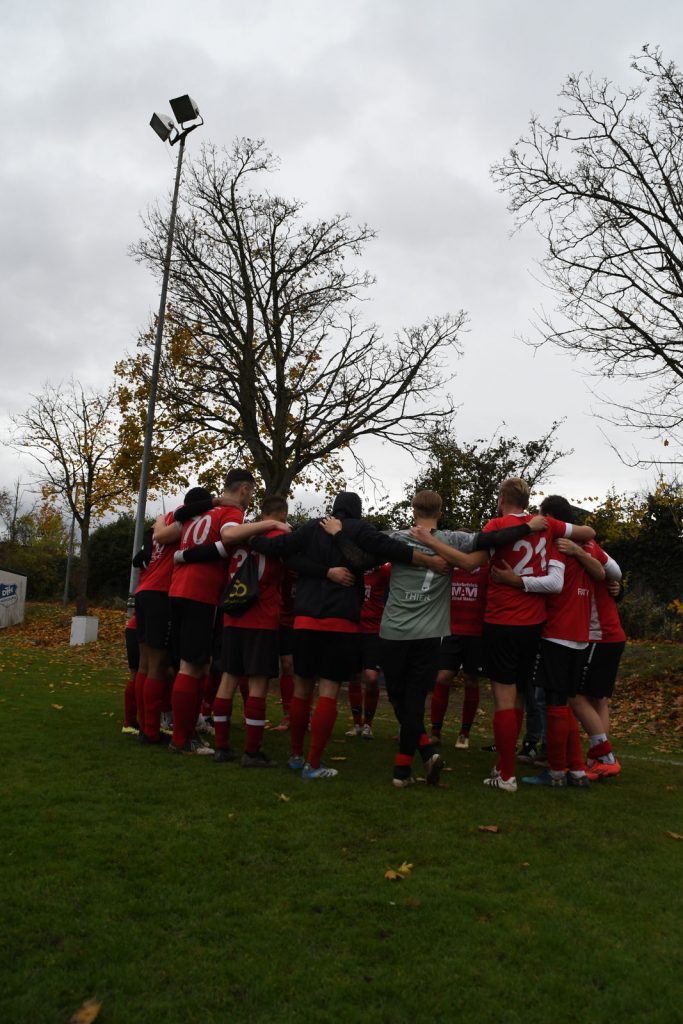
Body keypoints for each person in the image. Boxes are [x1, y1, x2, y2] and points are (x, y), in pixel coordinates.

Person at [412, 477, 595, 793]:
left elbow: (470, 562)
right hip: (535, 623)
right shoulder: (547, 525)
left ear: (502, 498)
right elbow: (588, 532)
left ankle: (506, 774)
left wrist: (432, 543)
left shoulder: (497, 524)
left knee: (504, 697)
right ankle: (515, 764)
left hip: (501, 620)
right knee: (522, 695)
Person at [250, 491, 450, 780]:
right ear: (357, 511)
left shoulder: (310, 527)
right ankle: (313, 763)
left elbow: (281, 551)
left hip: (304, 619)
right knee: (329, 690)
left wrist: (254, 534)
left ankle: (295, 755)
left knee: (302, 689)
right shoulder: (360, 529)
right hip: (340, 621)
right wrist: (427, 561)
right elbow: (392, 549)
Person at [377, 490, 548, 787]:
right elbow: (488, 541)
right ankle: (415, 762)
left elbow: (364, 544)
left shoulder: (393, 537)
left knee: (400, 699)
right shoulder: (453, 539)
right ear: (441, 513)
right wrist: (527, 528)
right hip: (431, 632)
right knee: (415, 699)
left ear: (412, 509)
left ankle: (408, 766)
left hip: (394, 629)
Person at [165, 469, 289, 754]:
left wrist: (182, 555)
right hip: (202, 592)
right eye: (252, 493)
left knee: (194, 665)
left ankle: (186, 730)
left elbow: (166, 533)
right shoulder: (230, 513)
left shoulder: (201, 512)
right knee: (192, 666)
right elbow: (231, 535)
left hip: (177, 588)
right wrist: (269, 523)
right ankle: (182, 740)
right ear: (244, 490)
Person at [491, 494, 605, 787]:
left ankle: (557, 771)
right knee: (563, 701)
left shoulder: (553, 540)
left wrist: (514, 581)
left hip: (556, 631)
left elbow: (554, 584)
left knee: (553, 702)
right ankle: (577, 769)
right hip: (579, 634)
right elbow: (609, 573)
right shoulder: (588, 544)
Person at [210, 494, 290, 767]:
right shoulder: (275, 540)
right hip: (262, 618)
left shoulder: (241, 536)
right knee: (257, 683)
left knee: (228, 679)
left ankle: (221, 747)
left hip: (233, 617)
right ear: (281, 516)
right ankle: (252, 752)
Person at [430, 563, 489, 749]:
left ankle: (464, 733)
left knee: (471, 679)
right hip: (451, 632)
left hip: (476, 634)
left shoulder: (486, 569)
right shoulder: (449, 568)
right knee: (443, 677)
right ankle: (435, 732)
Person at [346, 562, 390, 740]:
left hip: (374, 630)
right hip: (353, 627)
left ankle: (368, 724)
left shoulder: (383, 569)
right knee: (353, 676)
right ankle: (357, 723)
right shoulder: (352, 566)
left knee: (372, 678)